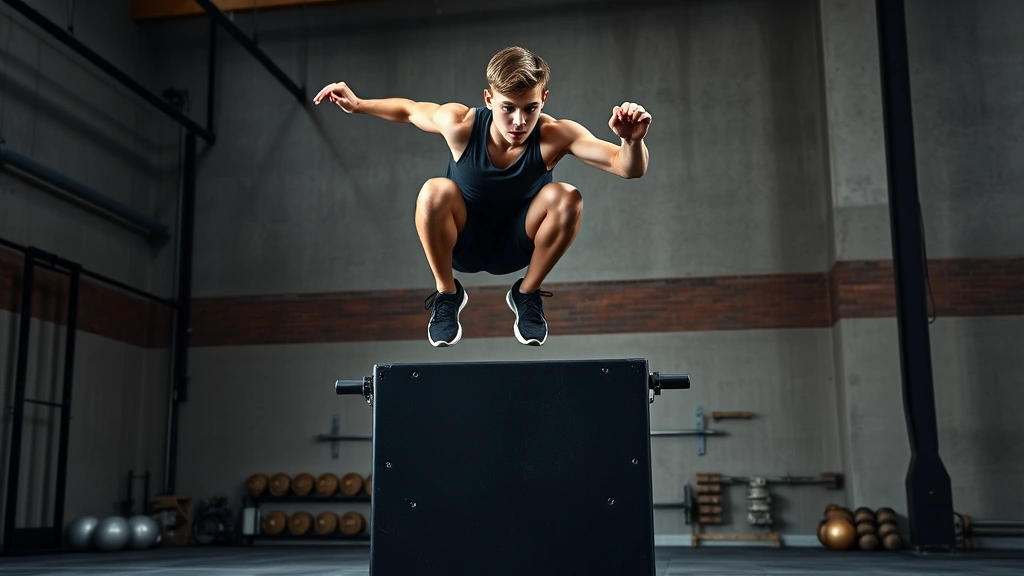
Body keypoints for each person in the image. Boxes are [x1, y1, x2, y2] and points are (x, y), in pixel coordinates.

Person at [314, 46, 651, 348]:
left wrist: (632, 142)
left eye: (530, 108)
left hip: (519, 246)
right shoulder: (461, 125)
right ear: (489, 99)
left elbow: (626, 167)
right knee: (434, 190)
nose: (519, 121)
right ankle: (448, 294)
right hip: (462, 243)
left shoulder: (555, 135)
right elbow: (409, 109)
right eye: (508, 108)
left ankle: (526, 293)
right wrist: (358, 105)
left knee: (567, 197)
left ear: (544, 99)